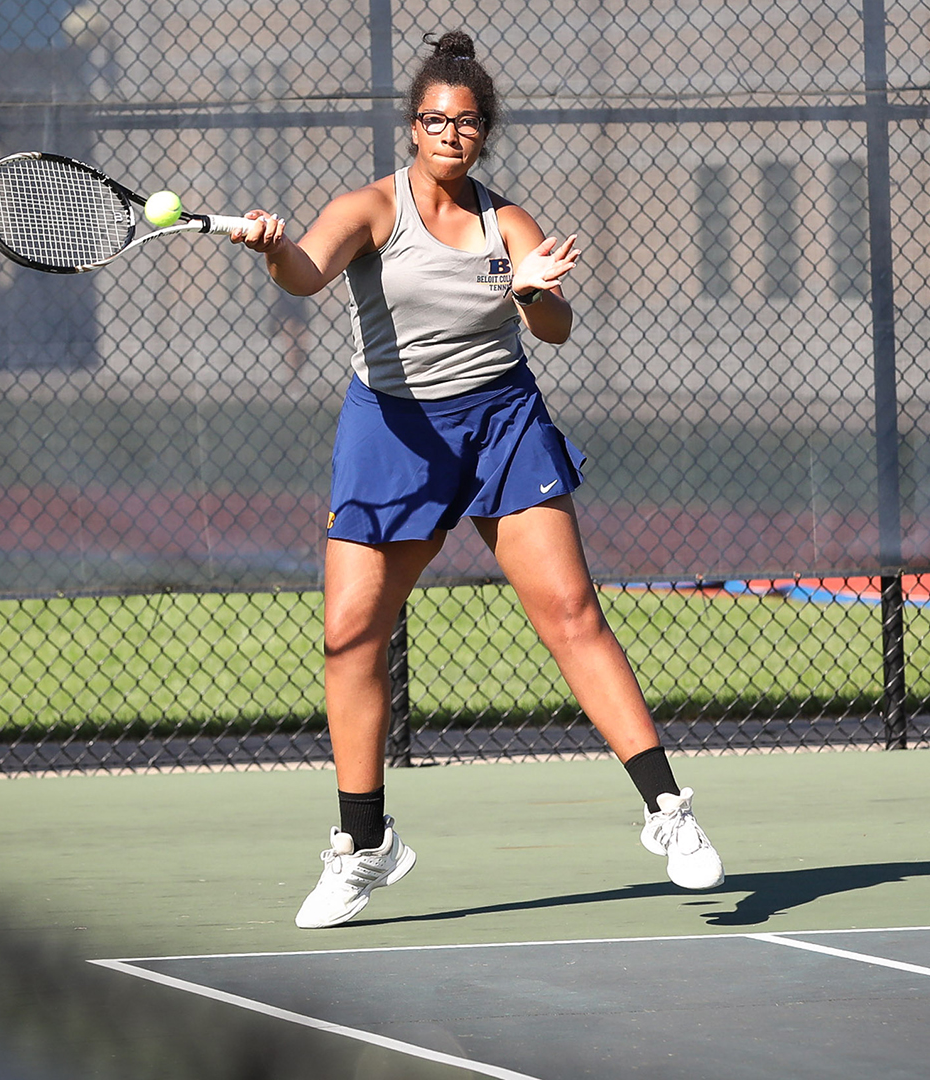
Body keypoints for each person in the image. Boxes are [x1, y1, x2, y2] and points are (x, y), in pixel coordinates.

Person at [230, 31, 723, 929]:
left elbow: (557, 330)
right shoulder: (371, 209)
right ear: (411, 129)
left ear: (483, 133)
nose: (449, 134)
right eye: (434, 121)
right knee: (348, 637)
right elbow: (305, 274)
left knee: (572, 615)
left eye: (465, 123)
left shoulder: (511, 224)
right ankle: (364, 846)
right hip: (392, 428)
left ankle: (668, 813)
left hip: (500, 421)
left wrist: (531, 291)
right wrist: (271, 248)